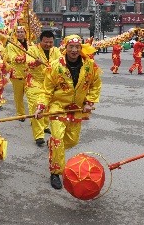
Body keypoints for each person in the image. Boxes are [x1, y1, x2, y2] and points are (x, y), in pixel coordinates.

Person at [34, 34, 102, 189]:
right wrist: (41, 106)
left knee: (72, 141)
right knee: (58, 139)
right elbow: (46, 90)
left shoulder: (89, 65)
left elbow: (95, 85)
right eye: (71, 47)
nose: (74, 50)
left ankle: (54, 148)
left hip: (77, 109)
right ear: (65, 48)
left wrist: (89, 102)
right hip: (58, 107)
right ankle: (56, 172)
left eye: (77, 47)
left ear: (80, 48)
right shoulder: (55, 66)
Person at [26, 30, 62, 147]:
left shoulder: (56, 51)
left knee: (48, 107)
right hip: (35, 82)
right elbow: (28, 63)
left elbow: (62, 64)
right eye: (46, 42)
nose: (48, 44)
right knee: (36, 107)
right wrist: (35, 63)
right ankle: (39, 136)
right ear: (40, 41)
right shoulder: (32, 50)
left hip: (50, 83)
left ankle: (45, 125)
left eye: (50, 42)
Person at [6, 26, 32, 120]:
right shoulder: (11, 45)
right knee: (19, 97)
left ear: (25, 33)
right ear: (15, 34)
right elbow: (14, 59)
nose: (20, 33)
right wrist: (27, 55)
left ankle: (33, 115)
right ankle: (21, 114)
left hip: (30, 74)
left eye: (22, 32)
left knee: (32, 96)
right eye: (18, 32)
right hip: (17, 74)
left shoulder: (31, 44)